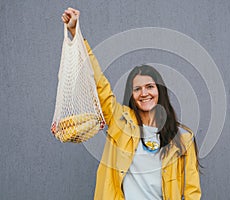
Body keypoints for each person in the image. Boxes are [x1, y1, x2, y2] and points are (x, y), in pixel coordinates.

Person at [61, 7, 201, 200]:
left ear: (159, 90)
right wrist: (77, 34)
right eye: (137, 89)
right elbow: (99, 84)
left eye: (150, 87)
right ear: (132, 94)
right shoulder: (120, 122)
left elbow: (192, 192)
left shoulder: (183, 138)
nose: (144, 93)